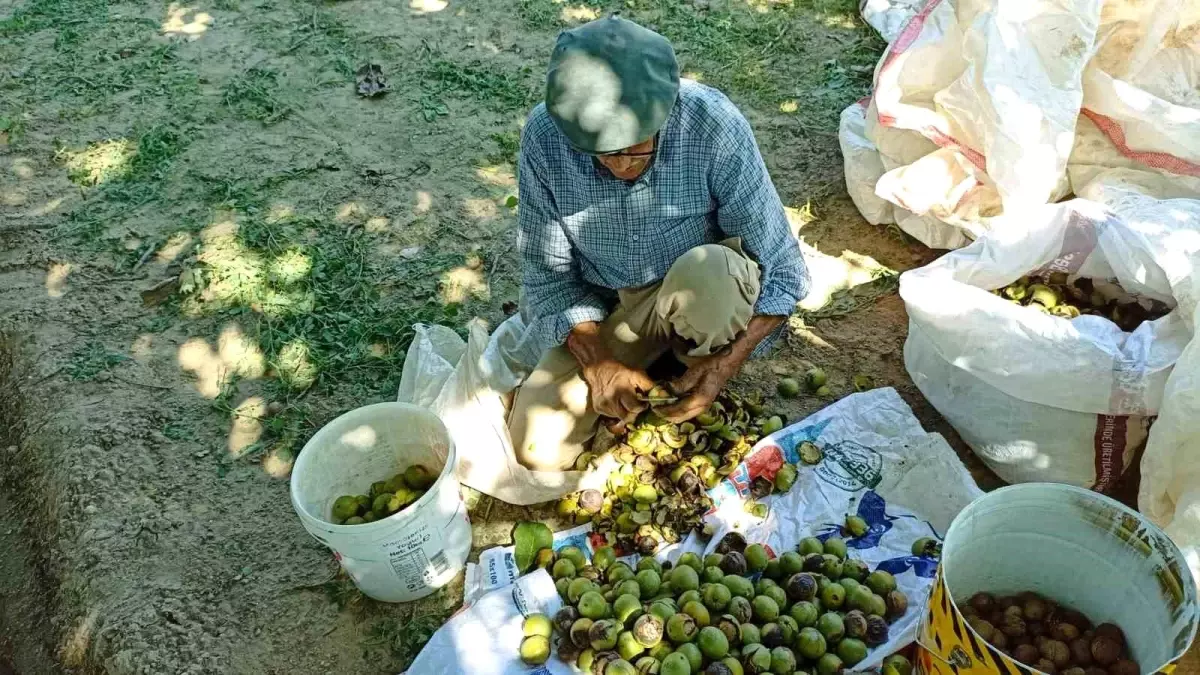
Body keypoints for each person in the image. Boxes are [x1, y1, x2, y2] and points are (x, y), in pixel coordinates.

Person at [509, 15, 810, 472]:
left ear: (665, 112)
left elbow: (782, 269)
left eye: (635, 148)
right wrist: (598, 361)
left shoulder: (712, 125)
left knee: (712, 273)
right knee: (538, 449)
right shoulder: (545, 140)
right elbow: (548, 277)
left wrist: (722, 367)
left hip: (698, 290)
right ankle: (652, 366)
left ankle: (692, 361)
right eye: (601, 153)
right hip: (609, 305)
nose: (619, 165)